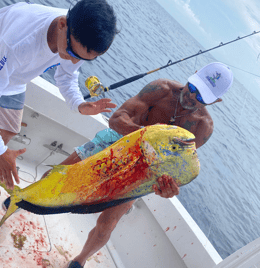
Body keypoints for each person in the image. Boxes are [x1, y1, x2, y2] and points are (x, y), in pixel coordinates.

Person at [43, 62, 233, 268]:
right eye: (193, 87)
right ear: (193, 74)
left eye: (201, 96)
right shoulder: (161, 90)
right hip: (117, 140)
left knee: (107, 223)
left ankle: (79, 261)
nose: (191, 96)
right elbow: (116, 119)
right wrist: (146, 136)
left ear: (216, 101)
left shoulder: (202, 128)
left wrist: (167, 187)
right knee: (57, 175)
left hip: (144, 169)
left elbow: (175, 167)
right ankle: (23, 199)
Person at [0, 0, 118, 199]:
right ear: (62, 24)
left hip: (14, 78)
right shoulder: (20, 40)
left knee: (9, 128)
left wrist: (78, 104)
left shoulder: (77, 36)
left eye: (81, 59)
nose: (73, 60)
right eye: (72, 52)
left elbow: (67, 75)